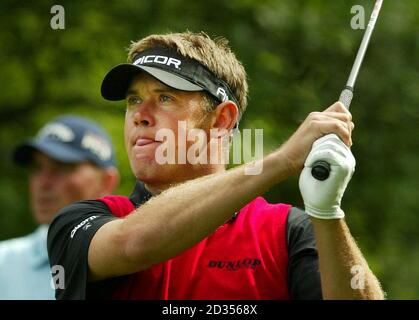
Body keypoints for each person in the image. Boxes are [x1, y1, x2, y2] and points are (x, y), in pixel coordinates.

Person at [48, 32, 384, 300]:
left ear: (222, 120)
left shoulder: (286, 231)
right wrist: (282, 161)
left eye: (165, 97)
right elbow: (133, 243)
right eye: (134, 99)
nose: (139, 115)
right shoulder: (82, 220)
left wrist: (326, 213)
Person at [0, 115, 119, 299]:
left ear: (106, 182)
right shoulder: (4, 263)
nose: (43, 183)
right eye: (37, 168)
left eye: (62, 167)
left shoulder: (136, 263)